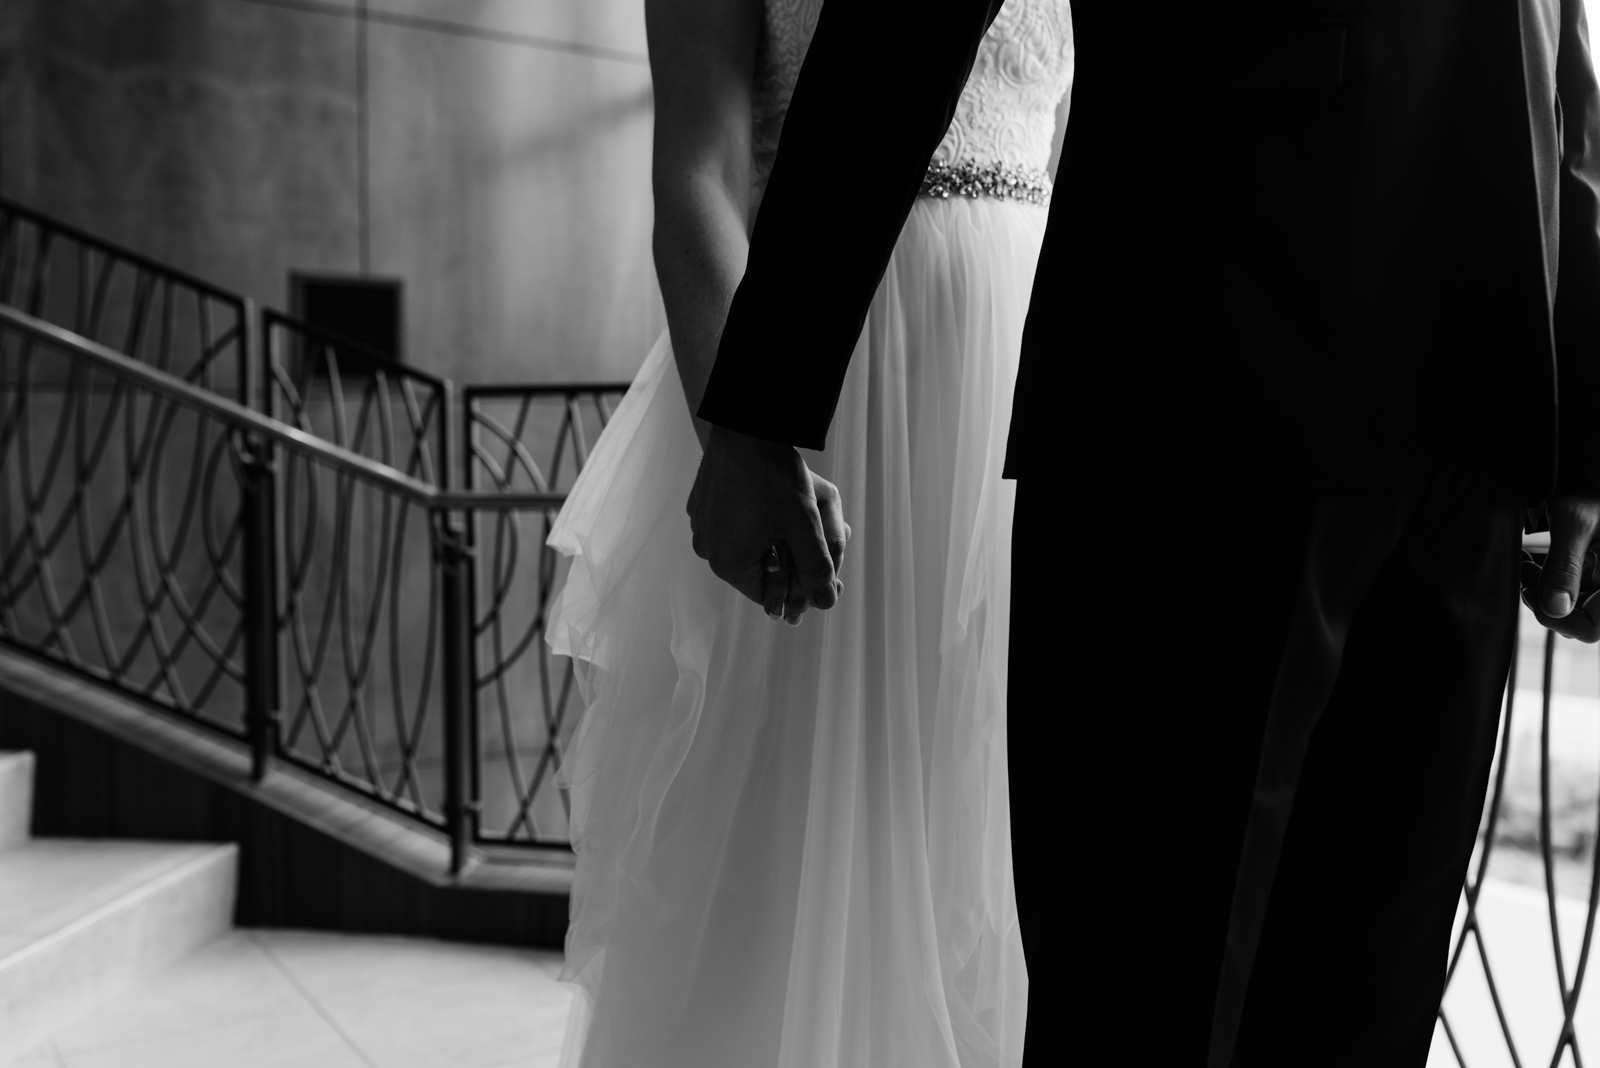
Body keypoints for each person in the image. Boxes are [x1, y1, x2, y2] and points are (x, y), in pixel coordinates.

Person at [687, 1, 1600, 1065]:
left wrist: (1583, 423)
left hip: (1470, 434)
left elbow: (1559, 60)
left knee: (1364, 1018)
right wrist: (759, 409)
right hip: (1205, 374)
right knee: (1141, 1011)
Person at [544, 1, 1073, 1065]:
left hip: (1031, 389)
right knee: (800, 838)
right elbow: (694, 174)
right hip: (837, 392)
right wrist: (745, 431)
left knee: (1006, 825)